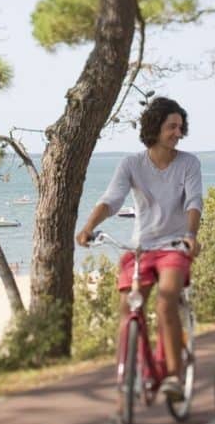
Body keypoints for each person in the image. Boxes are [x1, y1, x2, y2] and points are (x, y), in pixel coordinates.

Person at [76, 97, 203, 405]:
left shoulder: (189, 163)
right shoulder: (131, 164)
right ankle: (143, 368)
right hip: (141, 248)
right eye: (171, 126)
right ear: (155, 127)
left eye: (180, 127)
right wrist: (88, 226)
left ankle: (173, 375)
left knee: (166, 302)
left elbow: (194, 202)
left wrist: (190, 235)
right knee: (129, 310)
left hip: (174, 246)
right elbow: (112, 199)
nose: (178, 133)